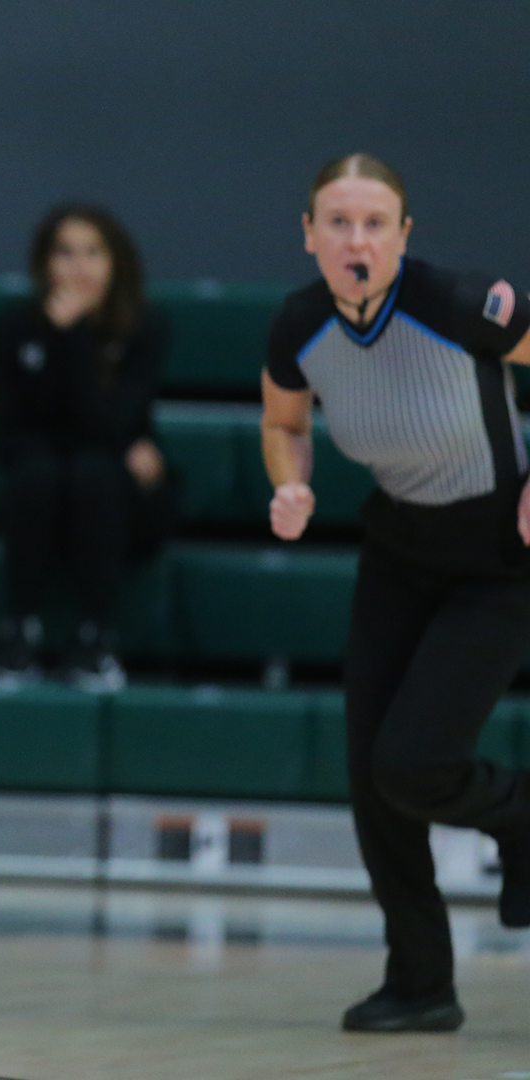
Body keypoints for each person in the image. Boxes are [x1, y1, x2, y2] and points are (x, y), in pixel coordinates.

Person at [262, 153, 530, 1034]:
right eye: (337, 222)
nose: (356, 238)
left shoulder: (461, 303)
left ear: (403, 237)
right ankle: (421, 984)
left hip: (500, 558)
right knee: (373, 783)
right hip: (398, 554)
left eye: (375, 222)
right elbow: (284, 421)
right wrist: (289, 481)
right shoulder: (298, 328)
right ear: (309, 236)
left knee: (414, 763)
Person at [0, 204, 170, 692]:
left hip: (111, 495)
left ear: (116, 262)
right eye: (65, 253)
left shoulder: (145, 328)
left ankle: (96, 639)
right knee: (38, 473)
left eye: (93, 253)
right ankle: (18, 633)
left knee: (94, 474)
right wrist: (119, 442)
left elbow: (106, 425)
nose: (79, 268)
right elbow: (6, 437)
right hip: (41, 487)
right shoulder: (13, 327)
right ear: (44, 263)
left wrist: (74, 338)